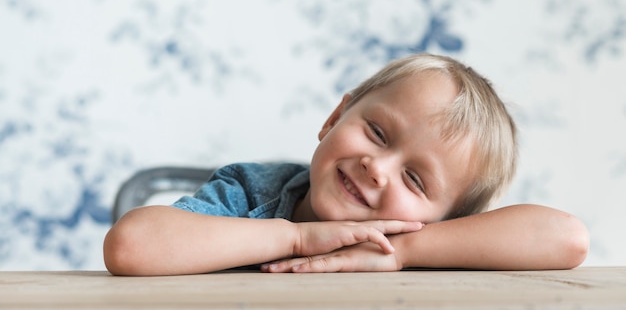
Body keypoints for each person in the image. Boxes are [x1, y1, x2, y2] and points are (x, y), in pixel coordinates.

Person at [103, 53, 589, 276]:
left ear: (447, 220)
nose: (377, 167)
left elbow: (567, 239)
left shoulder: (419, 241)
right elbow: (131, 246)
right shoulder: (252, 194)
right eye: (377, 133)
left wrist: (403, 253)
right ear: (335, 117)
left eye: (415, 179)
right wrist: (294, 237)